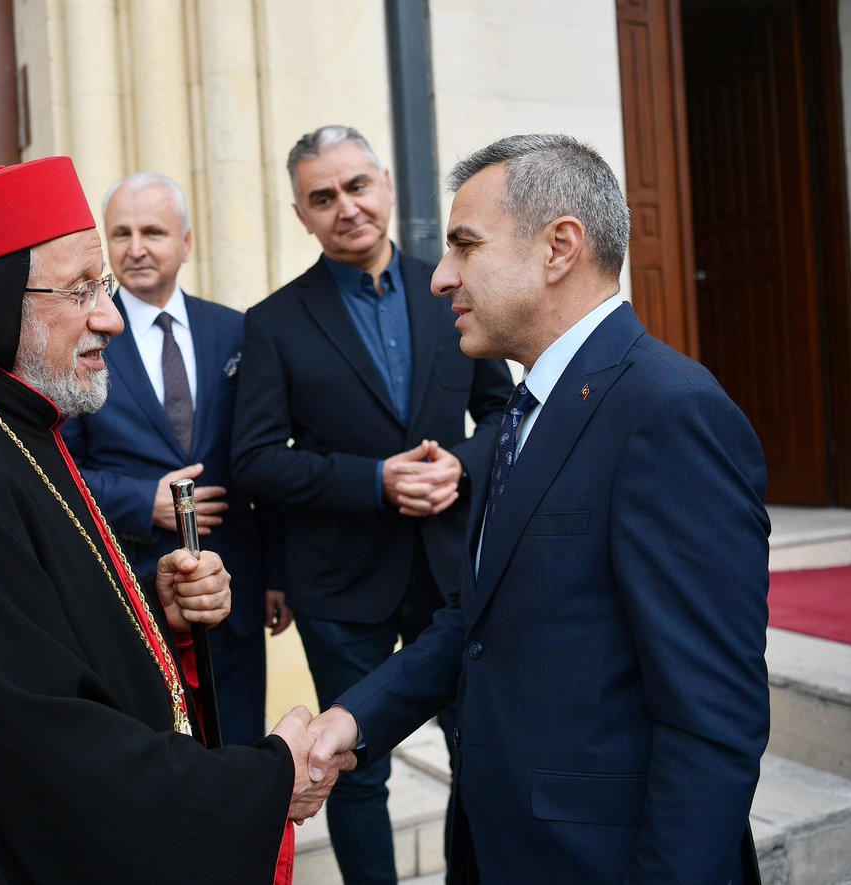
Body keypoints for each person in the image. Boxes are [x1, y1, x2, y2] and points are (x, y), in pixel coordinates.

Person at [0, 157, 347, 883]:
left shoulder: (18, 419)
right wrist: (261, 780)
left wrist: (148, 606)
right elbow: (37, 741)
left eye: (100, 286)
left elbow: (34, 623)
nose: (109, 314)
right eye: (81, 290)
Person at [308, 133, 770, 883]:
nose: (441, 277)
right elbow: (480, 619)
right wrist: (355, 717)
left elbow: (711, 723)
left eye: (464, 245)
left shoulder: (671, 413)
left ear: (559, 248)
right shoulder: (522, 414)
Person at [230, 125, 513, 884]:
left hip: (453, 569)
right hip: (340, 581)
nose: (345, 207)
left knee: (478, 750)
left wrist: (460, 461)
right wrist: (374, 480)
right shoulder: (274, 322)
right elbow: (253, 459)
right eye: (323, 197)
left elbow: (504, 414)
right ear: (301, 215)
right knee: (353, 770)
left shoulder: (453, 287)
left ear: (386, 185)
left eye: (357, 186)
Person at [60, 172, 288, 747]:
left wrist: (275, 575)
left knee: (238, 753)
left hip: (232, 594)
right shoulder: (83, 336)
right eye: (122, 233)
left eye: (154, 231)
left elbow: (264, 461)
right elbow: (55, 469)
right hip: (131, 591)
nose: (136, 248)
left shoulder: (236, 330)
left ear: (186, 243)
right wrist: (144, 501)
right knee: (157, 758)